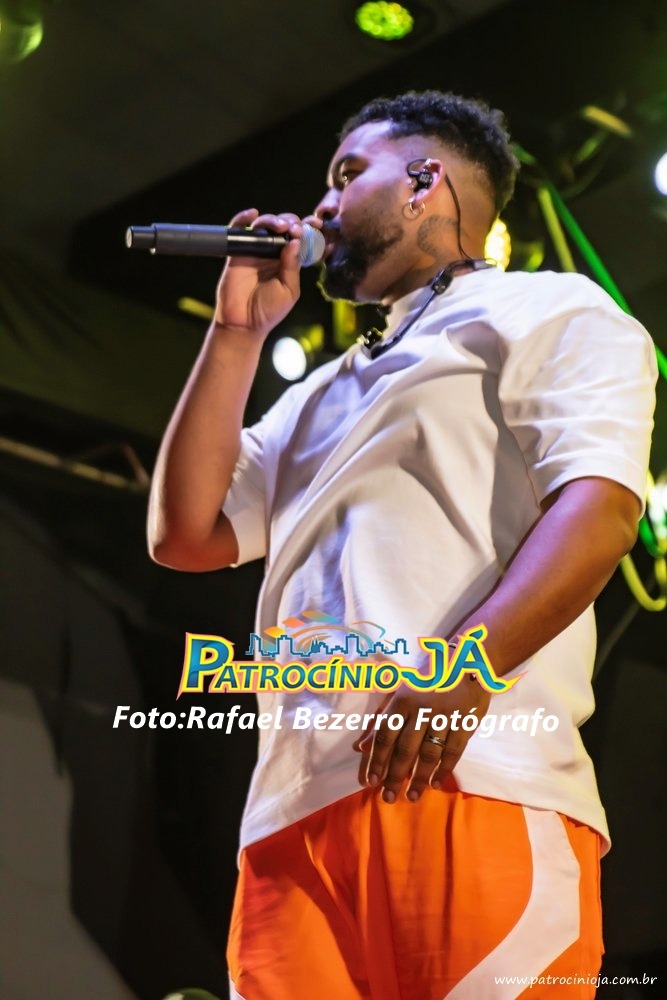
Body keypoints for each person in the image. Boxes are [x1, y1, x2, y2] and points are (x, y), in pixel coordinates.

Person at [147, 91, 657, 999]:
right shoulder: (314, 396)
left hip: (474, 776)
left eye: (346, 175)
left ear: (425, 180)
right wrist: (236, 333)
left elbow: (601, 507)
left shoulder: (546, 308)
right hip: (293, 818)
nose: (321, 206)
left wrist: (464, 670)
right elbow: (185, 535)